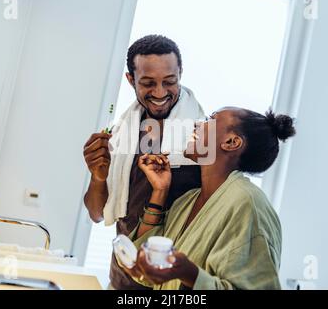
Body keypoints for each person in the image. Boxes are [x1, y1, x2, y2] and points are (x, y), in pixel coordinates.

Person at [120, 107, 296, 289]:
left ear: (231, 142)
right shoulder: (186, 201)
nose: (197, 124)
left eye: (210, 120)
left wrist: (189, 273)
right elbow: (150, 269)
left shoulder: (248, 204)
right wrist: (160, 191)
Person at [83, 35, 205, 289]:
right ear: (131, 80)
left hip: (175, 284)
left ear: (180, 73)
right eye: (148, 83)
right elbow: (96, 213)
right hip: (124, 279)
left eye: (169, 82)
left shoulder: (201, 136)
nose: (160, 93)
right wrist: (98, 176)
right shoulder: (120, 133)